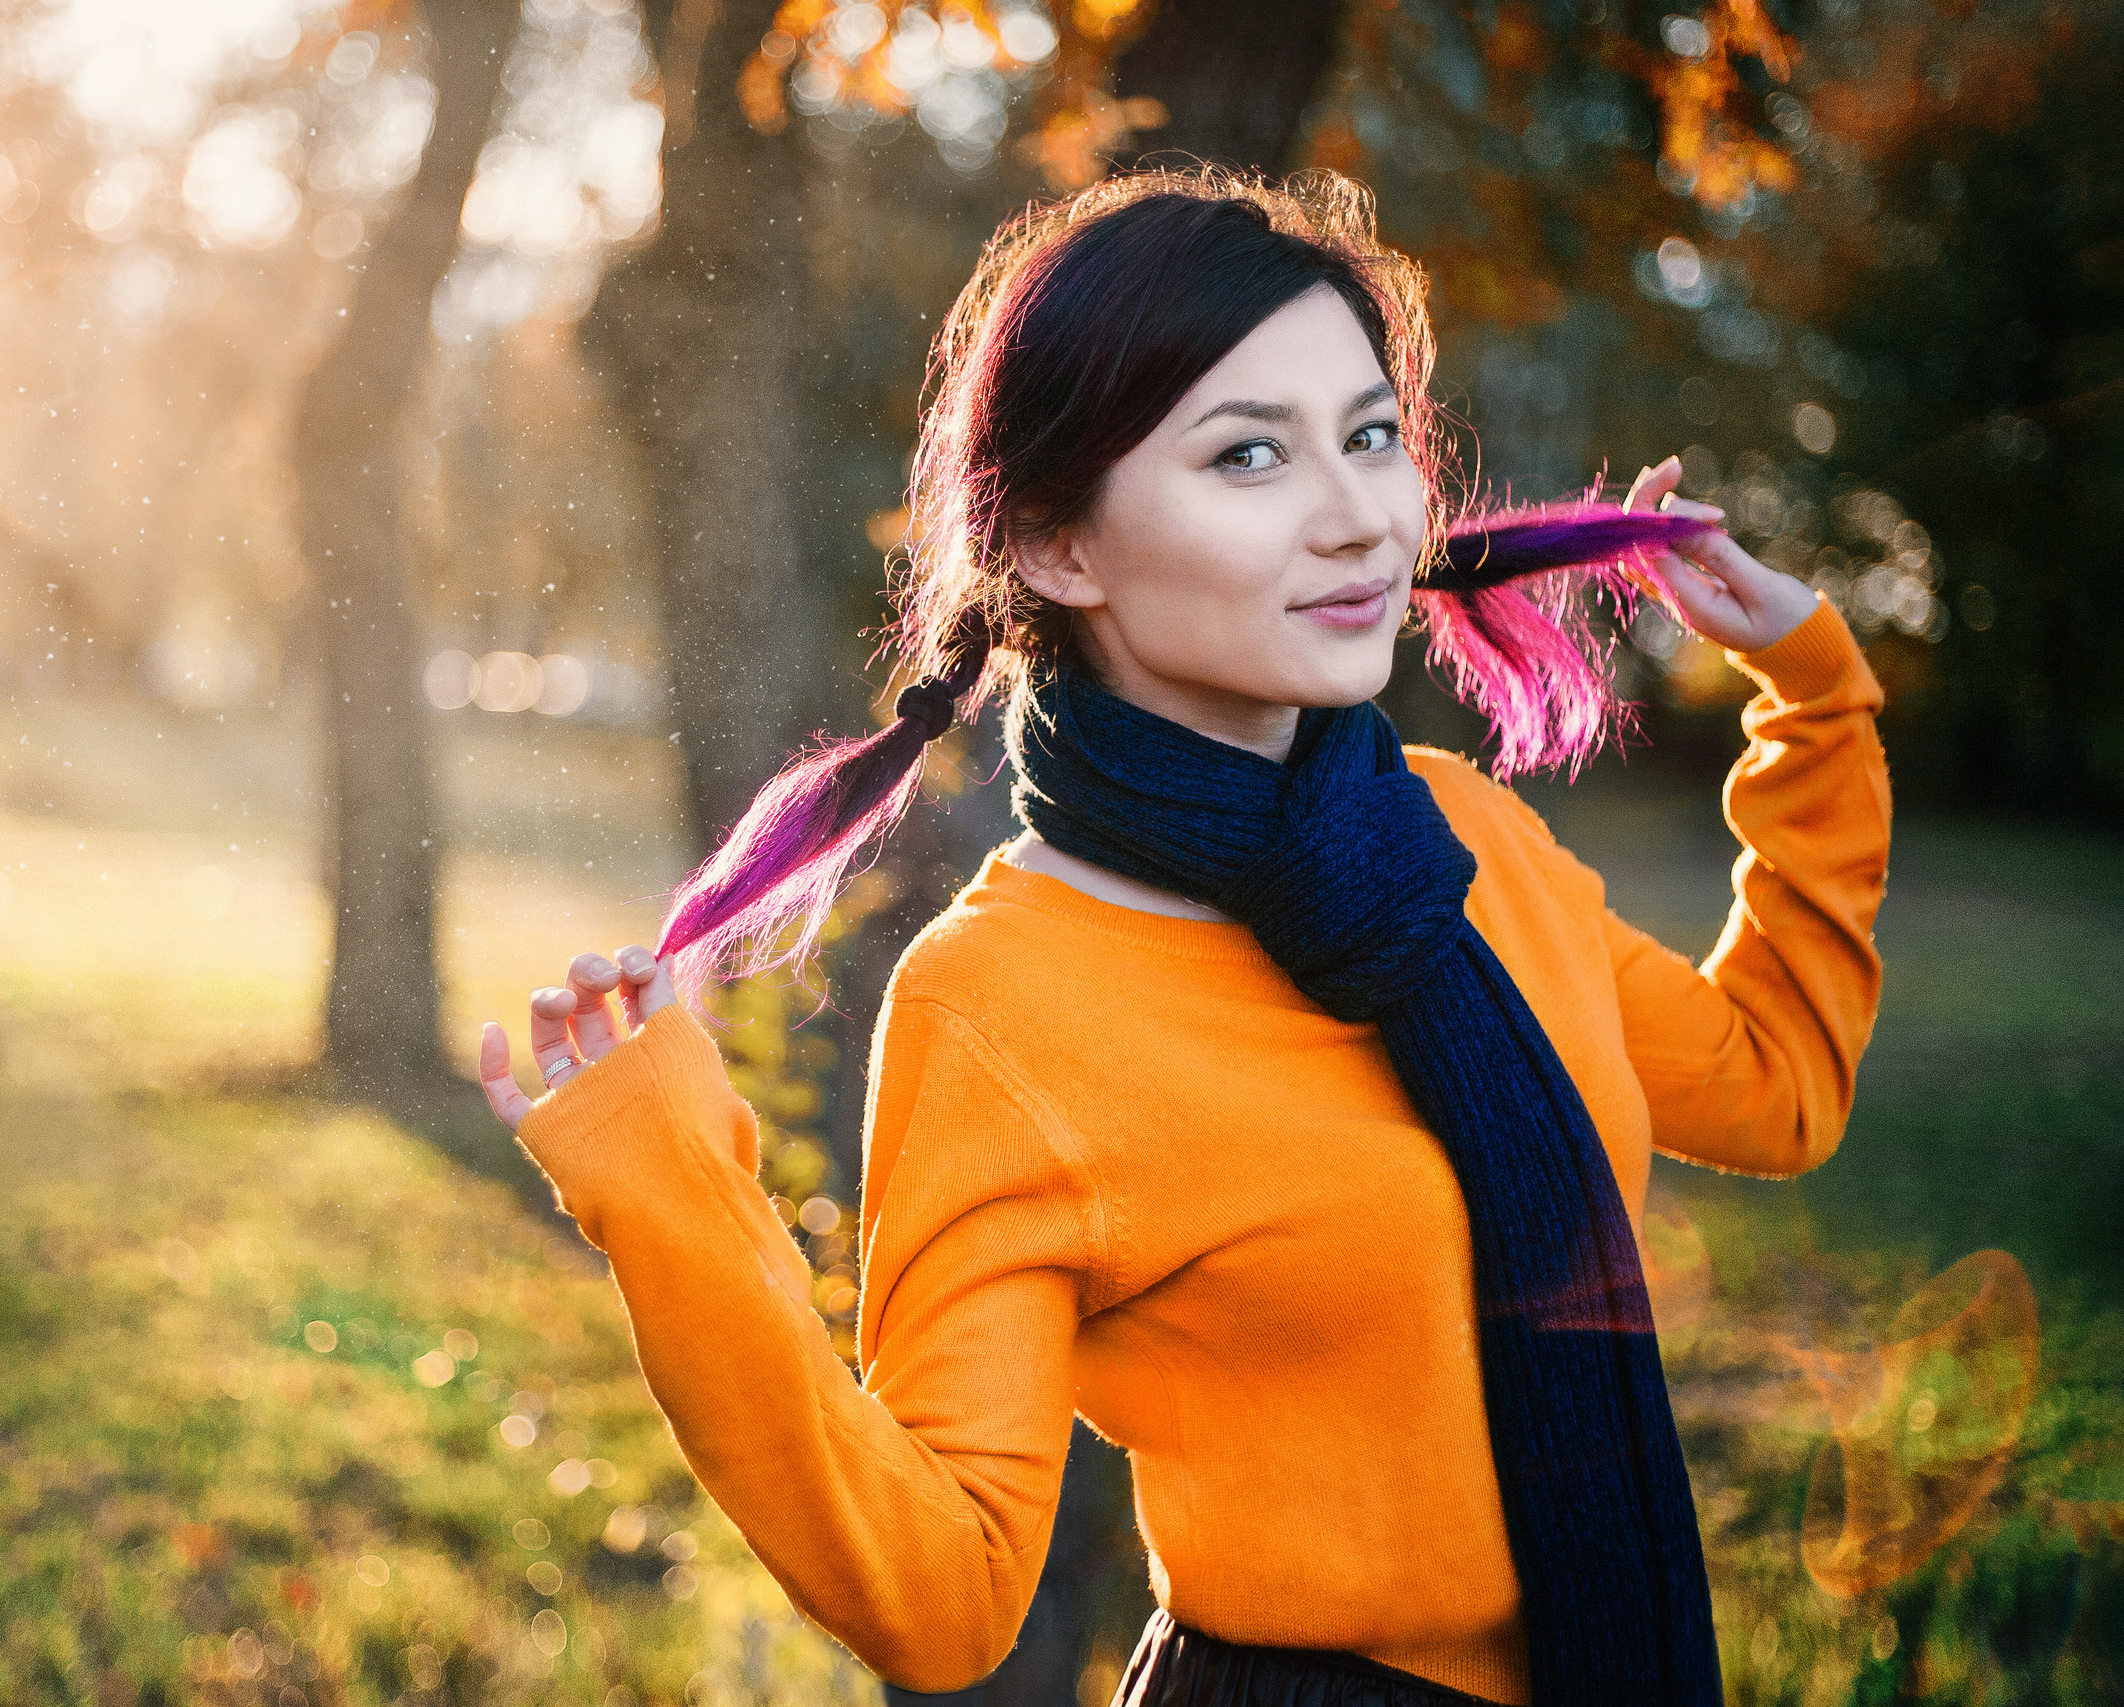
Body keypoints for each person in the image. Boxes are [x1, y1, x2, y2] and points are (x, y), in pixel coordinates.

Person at [478, 168, 1887, 1707]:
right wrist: (672, 1202)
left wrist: (1813, 703)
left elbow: (1776, 1088)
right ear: (1057, 549)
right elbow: (942, 1595)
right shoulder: (999, 1004)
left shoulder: (1462, 840)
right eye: (1248, 455)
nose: (1359, 517)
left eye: (1371, 436)